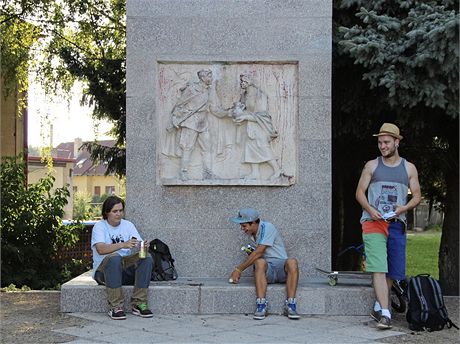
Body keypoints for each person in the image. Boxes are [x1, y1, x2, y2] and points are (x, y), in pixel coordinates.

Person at [355, 123, 421, 330]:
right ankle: (386, 313)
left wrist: (404, 208)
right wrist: (370, 209)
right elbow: (359, 193)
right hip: (373, 222)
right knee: (378, 266)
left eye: (386, 142)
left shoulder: (409, 168)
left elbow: (417, 196)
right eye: (379, 142)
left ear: (396, 142)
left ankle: (378, 305)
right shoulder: (371, 166)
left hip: (396, 223)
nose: (382, 146)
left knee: (393, 270)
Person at [228, 208, 300, 320]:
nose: (242, 229)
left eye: (244, 225)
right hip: (268, 271)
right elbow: (259, 255)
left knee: (292, 262)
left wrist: (238, 270)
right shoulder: (252, 236)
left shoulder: (268, 227)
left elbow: (260, 251)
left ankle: (291, 305)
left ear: (253, 223)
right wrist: (253, 256)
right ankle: (261, 305)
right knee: (259, 262)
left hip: (282, 269)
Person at [91, 195, 154, 320]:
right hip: (104, 272)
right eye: (115, 211)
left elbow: (138, 245)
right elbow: (101, 249)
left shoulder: (128, 225)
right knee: (115, 258)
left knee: (146, 257)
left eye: (120, 211)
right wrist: (122, 245)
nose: (118, 214)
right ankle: (115, 306)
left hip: (123, 269)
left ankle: (139, 303)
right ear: (106, 212)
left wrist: (144, 246)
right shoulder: (100, 226)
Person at [167, 69, 226, 180]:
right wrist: (175, 118)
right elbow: (179, 104)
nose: (211, 78)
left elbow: (214, 109)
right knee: (187, 147)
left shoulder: (209, 91)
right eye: (209, 76)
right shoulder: (191, 89)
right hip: (190, 121)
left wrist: (227, 113)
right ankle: (183, 172)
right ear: (203, 78)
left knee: (207, 147)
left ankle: (207, 172)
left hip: (203, 123)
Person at [233, 73, 282, 180]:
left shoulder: (260, 95)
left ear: (250, 82)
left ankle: (277, 170)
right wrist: (237, 114)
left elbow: (262, 115)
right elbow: (243, 109)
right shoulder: (244, 96)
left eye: (244, 81)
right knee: (250, 150)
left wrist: (245, 117)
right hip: (250, 127)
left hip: (260, 127)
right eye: (241, 81)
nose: (241, 83)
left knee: (263, 149)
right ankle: (255, 173)